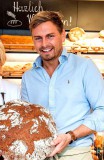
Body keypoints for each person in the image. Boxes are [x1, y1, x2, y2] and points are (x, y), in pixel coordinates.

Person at [21, 11, 104, 160]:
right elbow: (27, 120)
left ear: (63, 35)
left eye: (50, 36)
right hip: (40, 155)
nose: (44, 44)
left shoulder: (84, 67)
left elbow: (102, 110)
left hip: (76, 153)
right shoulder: (28, 77)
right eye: (38, 38)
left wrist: (71, 135)